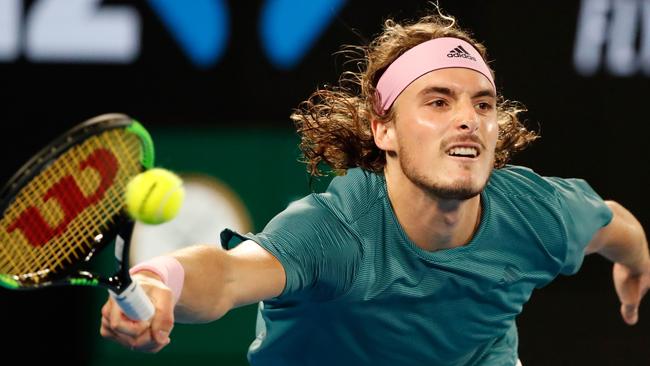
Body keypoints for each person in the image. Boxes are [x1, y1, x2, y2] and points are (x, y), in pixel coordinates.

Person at [100, 10, 650, 366]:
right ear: (382, 129)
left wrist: (636, 265)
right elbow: (224, 275)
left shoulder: (538, 214)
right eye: (438, 101)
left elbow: (617, 227)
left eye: (482, 104)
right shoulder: (334, 231)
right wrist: (161, 281)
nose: (468, 119)